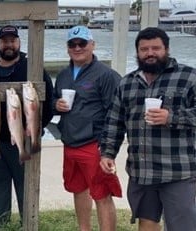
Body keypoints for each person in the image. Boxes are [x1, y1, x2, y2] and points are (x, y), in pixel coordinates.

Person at [99, 27, 196, 231]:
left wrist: (171, 117)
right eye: (144, 49)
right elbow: (115, 121)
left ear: (167, 49)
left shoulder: (191, 77)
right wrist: (107, 153)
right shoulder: (127, 83)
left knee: (181, 226)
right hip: (141, 172)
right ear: (137, 52)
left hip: (177, 173)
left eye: (156, 48)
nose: (150, 53)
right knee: (146, 224)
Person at [0, 25, 54, 231]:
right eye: (5, 41)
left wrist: (36, 128)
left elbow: (48, 101)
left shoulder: (33, 66)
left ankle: (28, 222)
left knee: (26, 183)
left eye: (13, 40)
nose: (9, 44)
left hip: (24, 138)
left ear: (19, 42)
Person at [53, 25, 122, 231]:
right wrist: (55, 104)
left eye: (82, 43)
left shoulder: (107, 75)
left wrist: (107, 149)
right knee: (78, 189)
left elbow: (117, 113)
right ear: (67, 48)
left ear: (92, 45)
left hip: (94, 144)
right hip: (70, 142)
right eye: (72, 44)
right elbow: (54, 102)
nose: (77, 48)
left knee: (101, 194)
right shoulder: (64, 74)